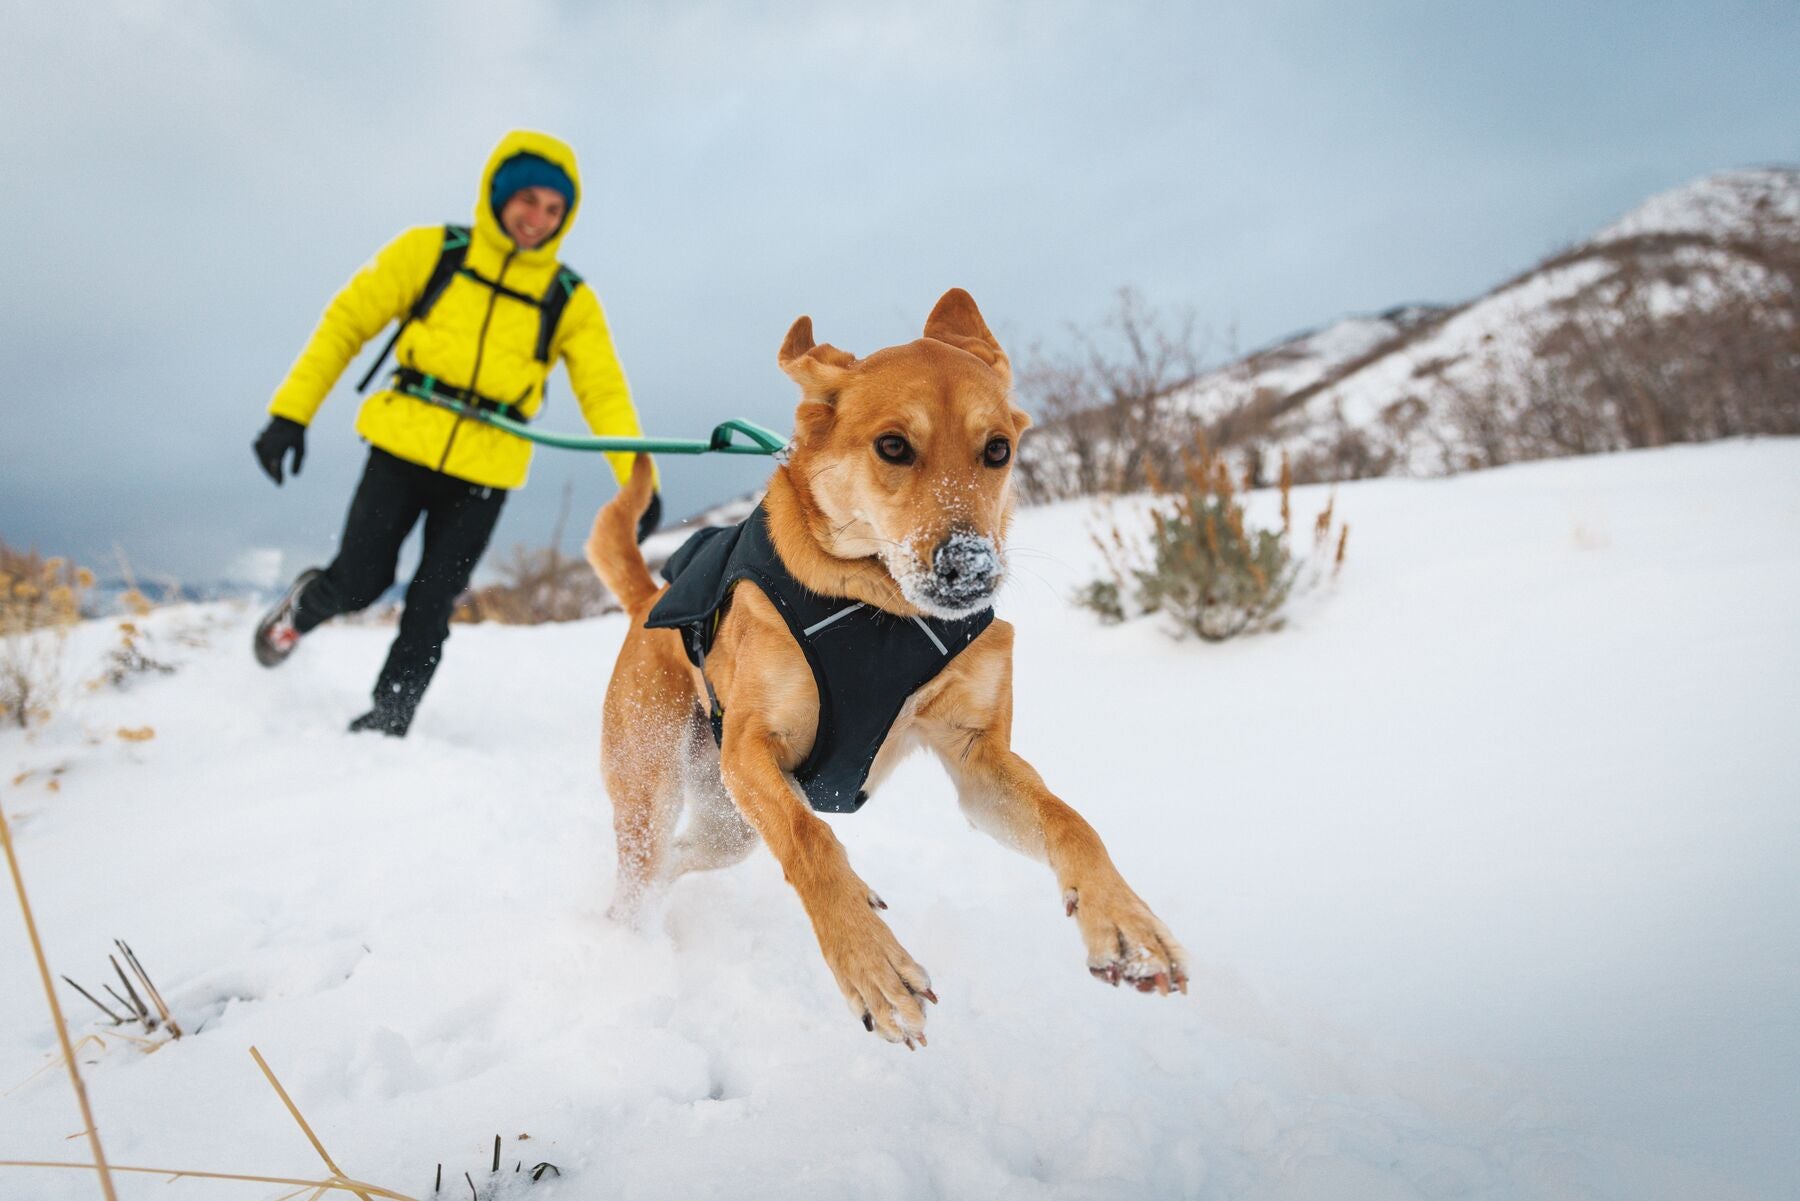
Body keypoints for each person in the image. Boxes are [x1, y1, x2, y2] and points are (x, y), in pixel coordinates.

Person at [250, 129, 658, 736]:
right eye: (528, 200)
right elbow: (346, 324)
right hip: (402, 445)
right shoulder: (433, 252)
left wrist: (635, 484)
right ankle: (301, 611)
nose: (538, 219)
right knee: (361, 579)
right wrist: (291, 413)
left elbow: (603, 392)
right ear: (498, 194)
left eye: (554, 209)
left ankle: (391, 714)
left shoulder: (567, 298)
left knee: (433, 599)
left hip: (484, 471)